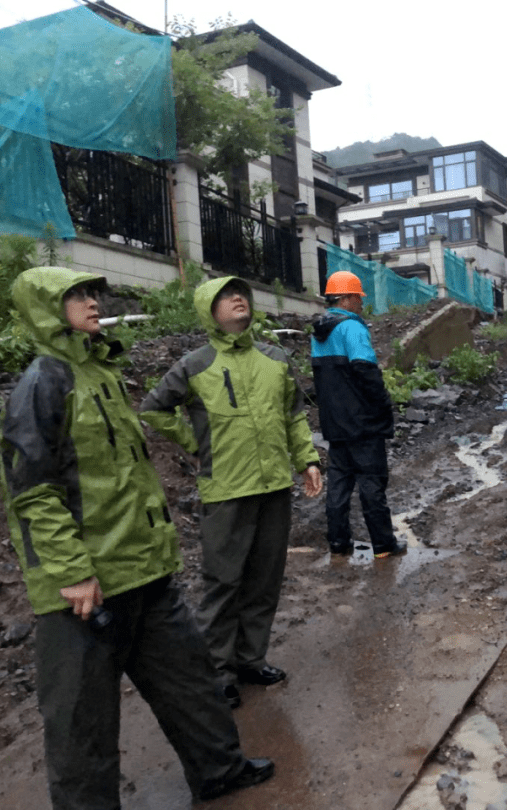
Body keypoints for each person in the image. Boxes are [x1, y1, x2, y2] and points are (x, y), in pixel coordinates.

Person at [0, 267, 273, 809]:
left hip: (144, 569)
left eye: (92, 292)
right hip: (87, 587)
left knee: (191, 683)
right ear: (46, 308)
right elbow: (31, 493)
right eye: (75, 295)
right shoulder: (43, 384)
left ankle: (218, 770)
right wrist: (70, 571)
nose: (92, 302)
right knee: (83, 723)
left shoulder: (101, 373)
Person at [139, 276, 322, 708]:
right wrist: (193, 444)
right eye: (224, 295)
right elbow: (154, 408)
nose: (237, 298)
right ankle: (217, 670)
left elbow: (294, 416)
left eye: (241, 293)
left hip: (274, 484)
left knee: (264, 579)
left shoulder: (275, 359)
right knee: (223, 582)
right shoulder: (195, 364)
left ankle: (250, 659)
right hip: (225, 488)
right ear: (208, 309)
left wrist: (308, 460)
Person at [310, 271, 406, 559]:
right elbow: (366, 372)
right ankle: (383, 545)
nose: (361, 304)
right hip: (363, 424)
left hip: (334, 424)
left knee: (338, 485)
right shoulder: (353, 328)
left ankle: (339, 543)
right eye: (359, 298)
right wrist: (383, 406)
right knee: (371, 484)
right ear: (348, 297)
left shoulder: (319, 333)